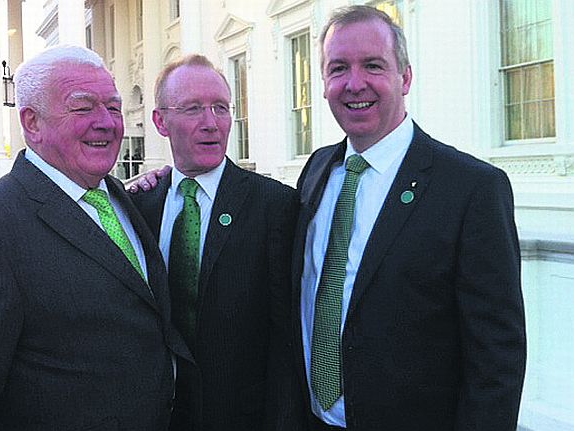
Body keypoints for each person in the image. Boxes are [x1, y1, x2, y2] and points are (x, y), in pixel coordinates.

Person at [0, 45, 191, 430]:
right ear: (32, 122)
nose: (107, 122)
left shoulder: (125, 200)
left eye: (113, 107)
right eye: (83, 107)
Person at [293, 6, 526, 430]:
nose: (354, 83)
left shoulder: (471, 189)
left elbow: (497, 357)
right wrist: (163, 183)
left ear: (405, 78)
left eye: (373, 65)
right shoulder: (317, 171)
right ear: (323, 83)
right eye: (338, 68)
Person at [131, 54, 303, 431]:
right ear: (161, 121)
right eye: (193, 109)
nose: (211, 123)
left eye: (221, 108)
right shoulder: (138, 207)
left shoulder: (275, 207)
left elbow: (287, 341)